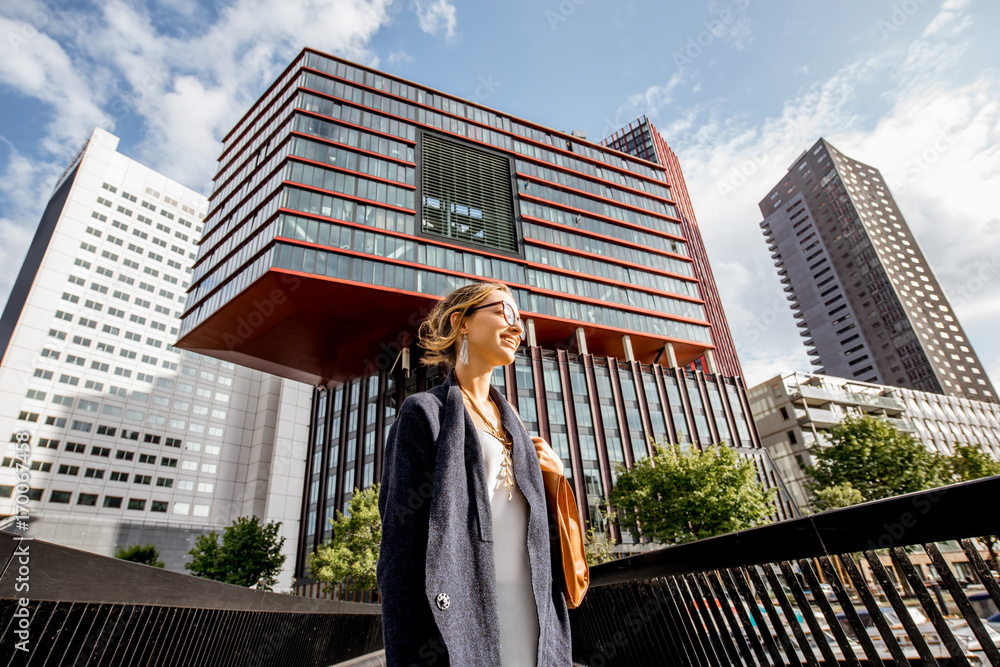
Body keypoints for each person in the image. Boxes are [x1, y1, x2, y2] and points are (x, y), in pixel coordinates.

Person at [377, 281, 572, 666]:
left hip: (534, 609)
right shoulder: (424, 414)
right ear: (461, 322)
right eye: (505, 313)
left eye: (521, 320)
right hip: (464, 613)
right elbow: (400, 551)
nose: (518, 328)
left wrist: (556, 475)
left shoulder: (515, 422)